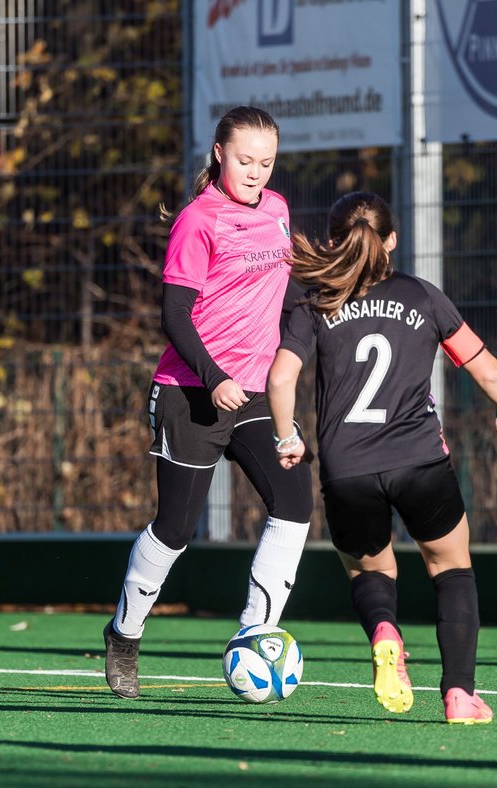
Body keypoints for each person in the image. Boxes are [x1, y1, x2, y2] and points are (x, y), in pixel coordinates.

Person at [267, 191, 497, 724]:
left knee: (369, 571)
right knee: (452, 568)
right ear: (391, 240)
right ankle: (459, 694)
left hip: (348, 470)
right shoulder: (423, 296)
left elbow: (280, 377)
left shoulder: (315, 300)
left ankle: (385, 629)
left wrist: (287, 438)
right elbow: (483, 369)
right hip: (420, 462)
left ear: (333, 242)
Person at [102, 106, 313, 699]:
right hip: (190, 393)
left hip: (251, 395)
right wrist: (212, 374)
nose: (256, 173)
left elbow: (285, 290)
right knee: (174, 529)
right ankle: (124, 634)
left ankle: (256, 631)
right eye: (245, 160)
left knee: (295, 501)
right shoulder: (198, 220)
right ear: (219, 154)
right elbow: (173, 315)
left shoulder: (276, 211)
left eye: (266, 163)